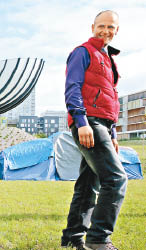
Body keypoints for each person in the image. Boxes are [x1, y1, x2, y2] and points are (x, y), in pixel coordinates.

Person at [62, 10, 128, 250]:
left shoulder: (109, 59)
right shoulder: (82, 52)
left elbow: (110, 100)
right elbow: (73, 87)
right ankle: (99, 239)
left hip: (103, 125)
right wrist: (82, 123)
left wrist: (114, 135)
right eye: (102, 26)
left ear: (116, 30)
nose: (106, 31)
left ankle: (73, 236)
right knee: (116, 179)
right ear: (93, 27)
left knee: (88, 183)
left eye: (111, 27)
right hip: (89, 123)